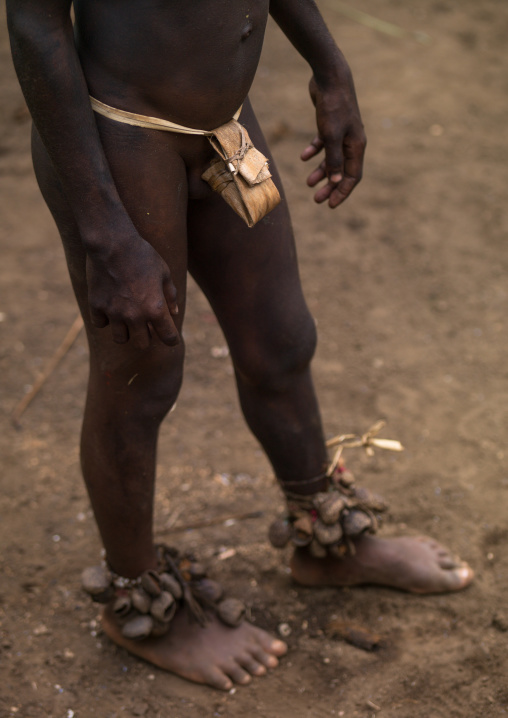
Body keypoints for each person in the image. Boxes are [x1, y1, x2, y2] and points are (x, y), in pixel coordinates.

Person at [7, 0, 473, 692]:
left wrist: (330, 67)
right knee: (142, 376)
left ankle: (326, 539)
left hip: (224, 121)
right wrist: (105, 232)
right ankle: (141, 602)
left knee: (281, 341)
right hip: (123, 138)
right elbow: (35, 23)